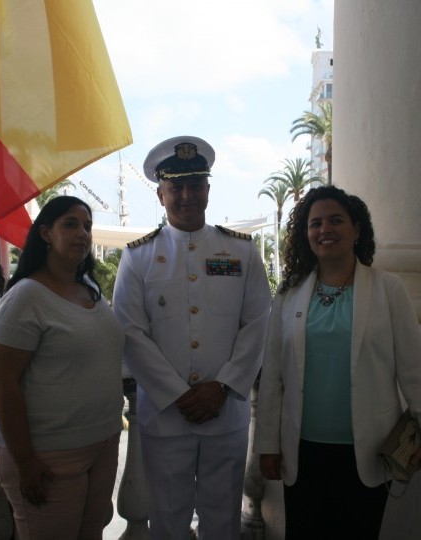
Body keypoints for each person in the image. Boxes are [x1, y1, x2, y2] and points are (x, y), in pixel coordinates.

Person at [253, 186, 421, 539]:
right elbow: (274, 378)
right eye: (315, 223)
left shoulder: (389, 290)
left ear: (357, 230)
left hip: (368, 452)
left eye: (336, 220)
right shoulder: (289, 294)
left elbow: (414, 370)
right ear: (305, 235)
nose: (325, 229)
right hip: (303, 452)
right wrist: (267, 445)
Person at [113, 136, 271, 539]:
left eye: (195, 185)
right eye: (176, 187)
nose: (187, 195)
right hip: (165, 417)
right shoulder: (138, 256)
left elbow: (257, 324)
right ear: (161, 193)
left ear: (208, 190)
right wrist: (179, 395)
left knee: (223, 522)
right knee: (167, 522)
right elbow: (129, 331)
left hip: (226, 413)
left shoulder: (241, 253)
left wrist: (223, 387)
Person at [0, 196, 124, 540]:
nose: (82, 234)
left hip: (100, 444)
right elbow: (1, 381)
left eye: (87, 226)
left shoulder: (88, 288)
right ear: (46, 233)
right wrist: (25, 461)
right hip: (49, 454)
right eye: (70, 224)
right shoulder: (26, 297)